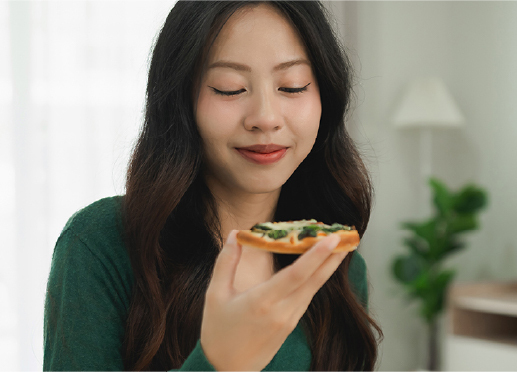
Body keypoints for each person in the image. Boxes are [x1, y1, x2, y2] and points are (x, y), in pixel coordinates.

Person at [42, 1, 381, 370]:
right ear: (181, 101)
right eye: (229, 88)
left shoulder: (339, 268)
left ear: (325, 98)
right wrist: (220, 362)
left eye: (292, 86)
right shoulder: (102, 242)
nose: (265, 118)